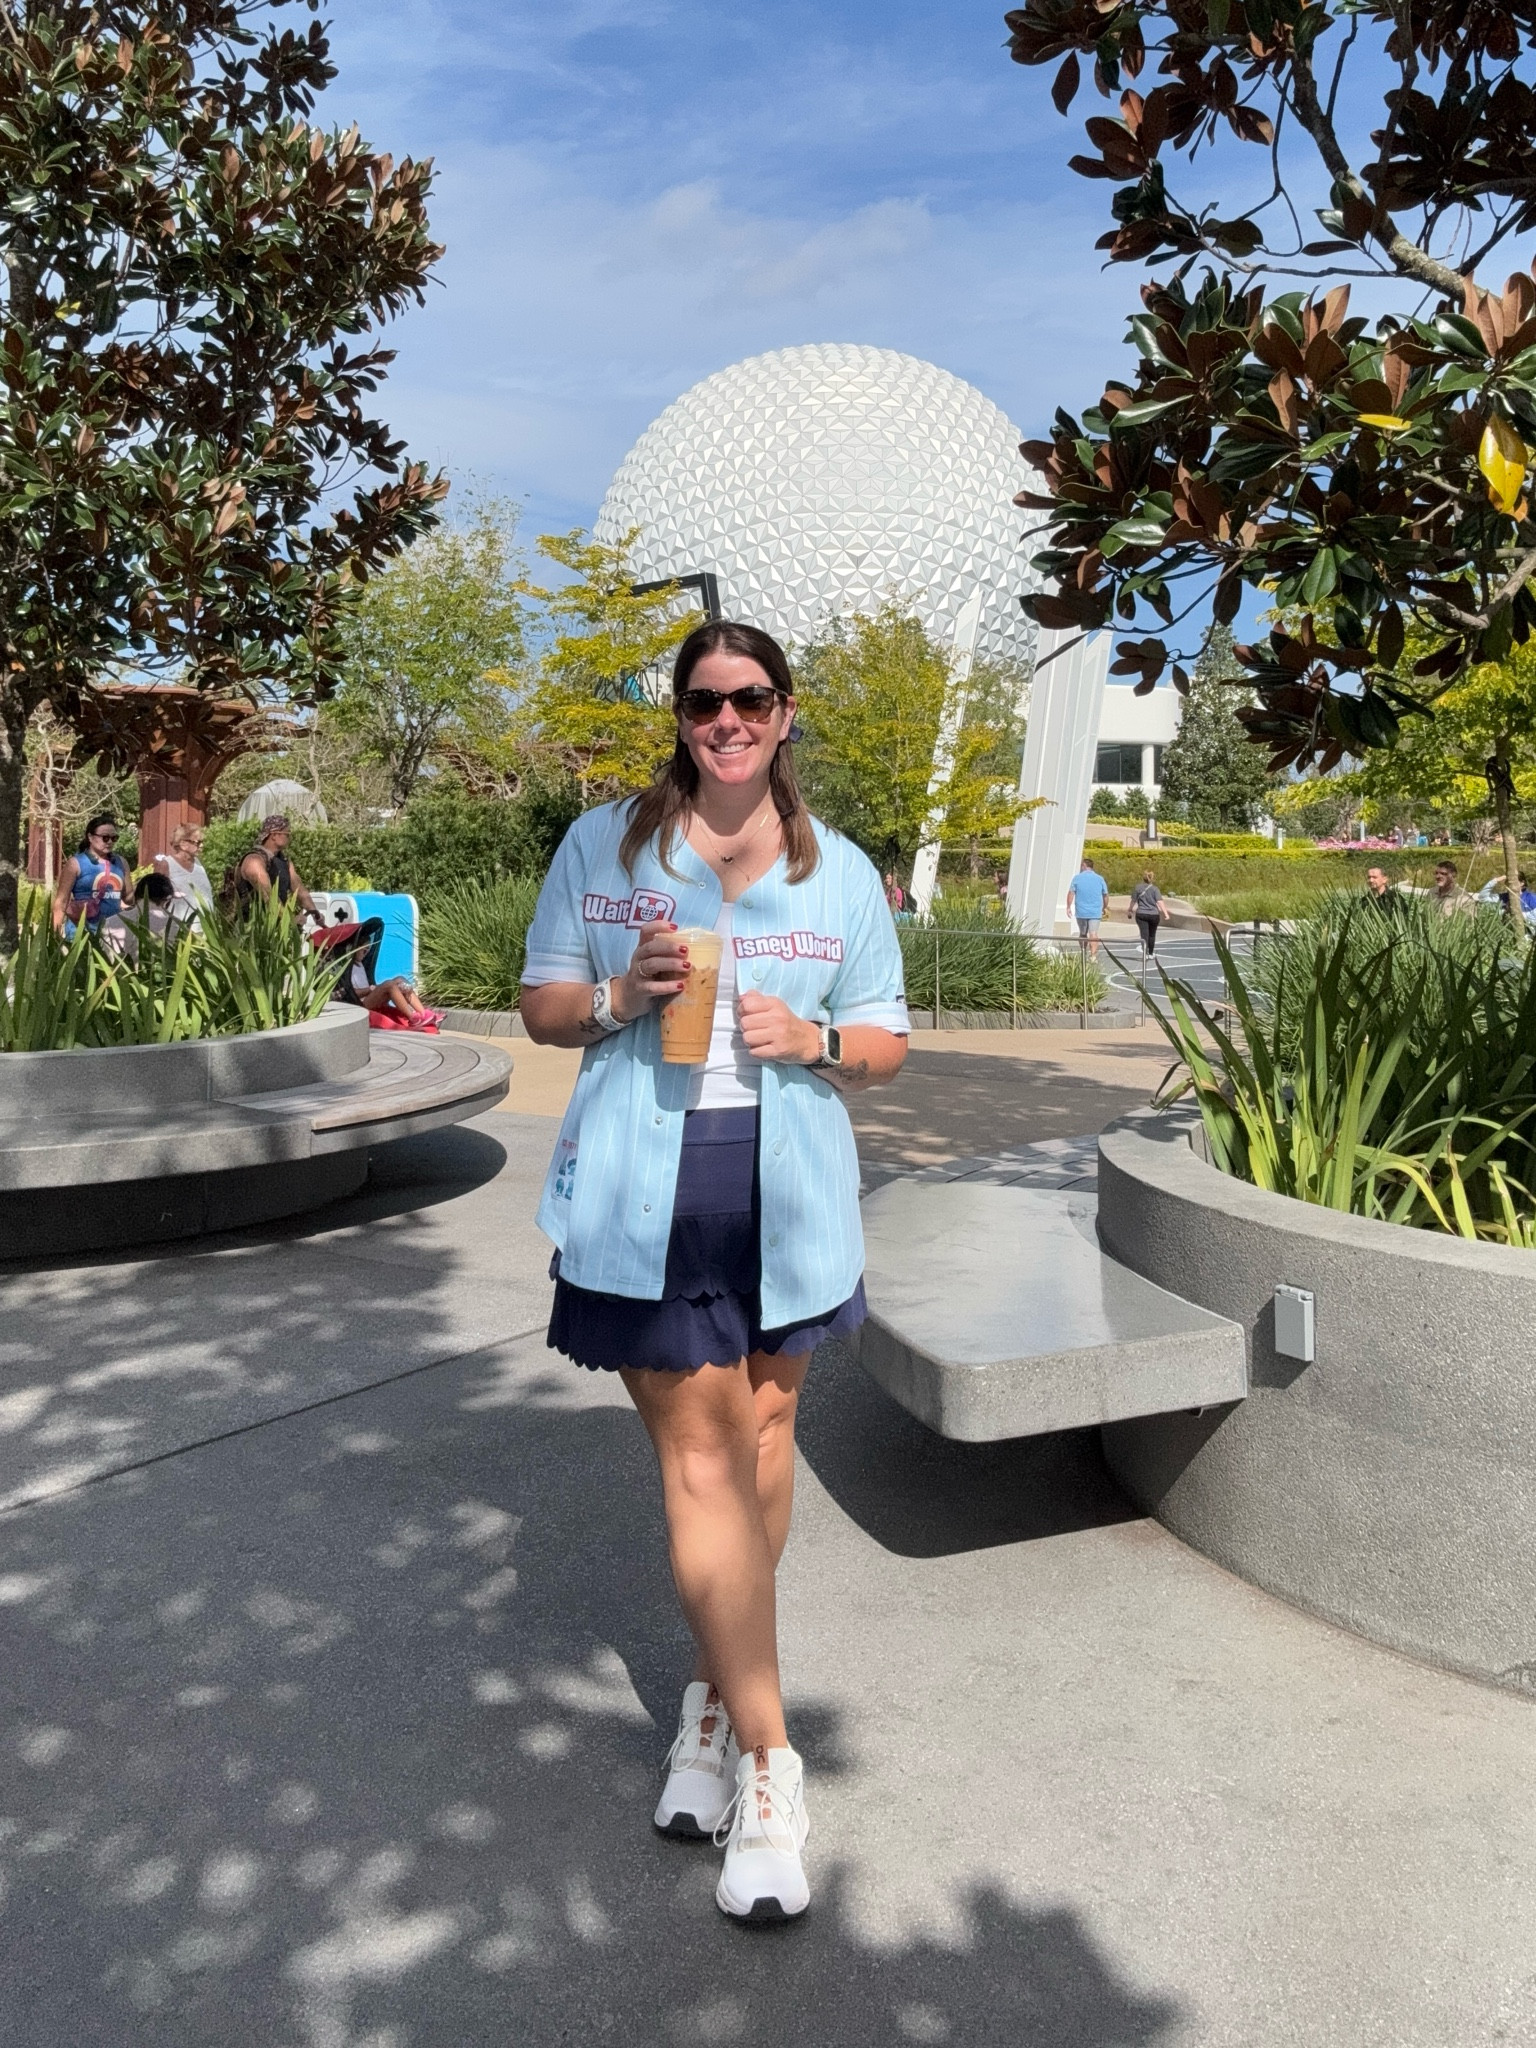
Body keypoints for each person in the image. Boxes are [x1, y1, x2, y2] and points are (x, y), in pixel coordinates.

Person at [519, 619, 909, 1924]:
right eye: (704, 702)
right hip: (647, 1187)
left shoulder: (840, 872)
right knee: (698, 1456)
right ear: (679, 717)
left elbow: (890, 1038)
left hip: (786, 1195)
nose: (727, 721)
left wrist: (816, 1038)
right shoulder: (604, 849)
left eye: (751, 700)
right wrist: (623, 998)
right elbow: (542, 1004)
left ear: (786, 714)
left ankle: (699, 1714)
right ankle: (770, 1763)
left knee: (763, 1436)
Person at [53, 814, 136, 944]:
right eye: (105, 838)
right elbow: (61, 902)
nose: (109, 842)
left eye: (114, 838)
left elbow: (129, 898)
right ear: (90, 837)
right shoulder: (75, 863)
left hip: (114, 933)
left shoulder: (121, 862)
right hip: (81, 933)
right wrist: (55, 937)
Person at [233, 814, 319, 919]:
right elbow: (269, 896)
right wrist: (290, 920)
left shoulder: (285, 862)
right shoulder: (253, 861)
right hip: (250, 928)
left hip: (276, 924)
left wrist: (315, 913)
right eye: (287, 834)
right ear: (274, 835)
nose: (289, 838)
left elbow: (299, 891)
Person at [154, 822, 214, 928]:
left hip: (206, 928)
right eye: (198, 842)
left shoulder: (199, 864)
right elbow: (156, 897)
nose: (202, 845)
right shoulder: (166, 865)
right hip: (179, 928)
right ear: (183, 844)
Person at [1066, 856, 1109, 958]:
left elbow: (1071, 893)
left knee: (1083, 933)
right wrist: (1104, 907)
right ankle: (1093, 956)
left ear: (1084, 866)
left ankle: (1083, 951)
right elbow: (1105, 895)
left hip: (1081, 911)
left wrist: (1068, 907)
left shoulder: (1077, 878)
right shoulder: (1099, 879)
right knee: (1093, 933)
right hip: (1095, 911)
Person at [1129, 870, 1166, 957]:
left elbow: (1133, 901)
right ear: (1152, 878)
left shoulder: (1138, 888)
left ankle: (1145, 953)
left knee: (1144, 934)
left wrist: (1130, 909)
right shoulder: (1155, 889)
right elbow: (1160, 902)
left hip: (1141, 913)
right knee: (1152, 934)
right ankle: (1151, 953)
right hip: (1154, 914)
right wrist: (1165, 913)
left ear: (1144, 878)